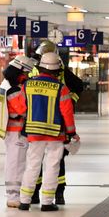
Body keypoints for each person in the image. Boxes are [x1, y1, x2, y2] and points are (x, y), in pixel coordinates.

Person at [17, 52, 80, 212]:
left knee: (32, 165)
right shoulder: (61, 88)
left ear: (41, 68)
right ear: (57, 70)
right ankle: (46, 202)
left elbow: (21, 108)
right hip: (54, 134)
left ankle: (24, 201)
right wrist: (72, 133)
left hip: (33, 133)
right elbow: (67, 113)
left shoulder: (27, 85)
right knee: (52, 167)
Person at [29, 40, 83, 205]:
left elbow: (78, 86)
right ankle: (54, 194)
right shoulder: (62, 72)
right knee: (56, 161)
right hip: (58, 123)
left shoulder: (34, 72)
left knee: (36, 161)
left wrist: (71, 100)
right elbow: (78, 87)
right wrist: (70, 102)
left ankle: (37, 195)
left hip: (37, 122)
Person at [0, 55, 36, 208]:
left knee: (15, 162)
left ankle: (15, 194)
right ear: (19, 71)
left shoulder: (7, 84)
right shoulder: (13, 89)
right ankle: (13, 196)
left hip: (12, 131)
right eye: (25, 73)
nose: (26, 76)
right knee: (16, 163)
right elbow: (22, 110)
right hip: (16, 131)